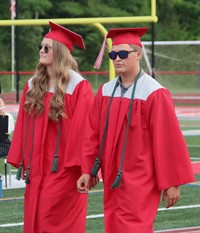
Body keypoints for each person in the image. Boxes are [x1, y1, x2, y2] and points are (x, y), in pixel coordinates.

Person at [77, 27, 195, 233]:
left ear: (138, 54)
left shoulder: (153, 92)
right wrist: (88, 169)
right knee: (112, 225)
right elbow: (93, 134)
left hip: (141, 178)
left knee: (134, 228)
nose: (117, 59)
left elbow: (167, 140)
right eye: (113, 54)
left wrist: (172, 182)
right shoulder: (106, 91)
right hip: (112, 175)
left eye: (123, 54)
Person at [7, 21, 94, 233]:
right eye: (41, 46)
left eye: (47, 48)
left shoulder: (78, 86)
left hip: (64, 170)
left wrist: (86, 170)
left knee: (56, 221)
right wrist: (23, 160)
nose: (41, 51)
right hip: (37, 168)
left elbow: (87, 132)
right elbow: (24, 128)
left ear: (60, 53)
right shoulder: (34, 84)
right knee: (34, 219)